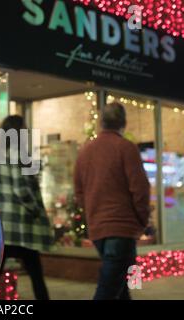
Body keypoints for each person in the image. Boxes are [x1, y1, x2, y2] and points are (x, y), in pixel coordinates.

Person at [74, 102, 151, 300]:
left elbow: (79, 192)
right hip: (121, 228)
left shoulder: (85, 151)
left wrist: (92, 213)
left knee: (119, 284)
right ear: (123, 123)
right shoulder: (126, 148)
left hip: (98, 229)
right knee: (108, 290)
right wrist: (142, 220)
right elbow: (140, 189)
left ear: (101, 122)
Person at [0, 115, 53, 300]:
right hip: (22, 227)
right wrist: (36, 210)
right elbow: (21, 189)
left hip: (5, 227)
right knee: (36, 275)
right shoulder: (18, 154)